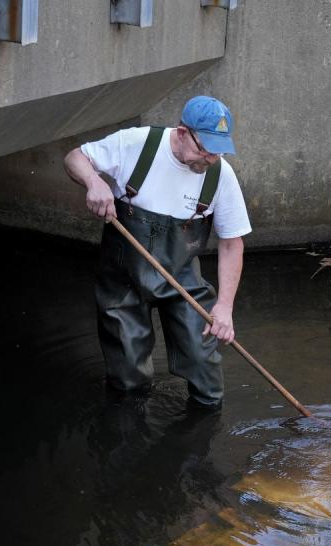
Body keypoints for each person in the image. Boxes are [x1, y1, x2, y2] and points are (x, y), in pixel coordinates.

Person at [64, 96, 251, 410]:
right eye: (204, 148)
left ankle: (199, 435)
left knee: (204, 367)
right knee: (128, 380)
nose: (210, 158)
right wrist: (93, 181)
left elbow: (232, 244)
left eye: (218, 150)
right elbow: (74, 158)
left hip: (183, 281)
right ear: (181, 133)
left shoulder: (221, 176)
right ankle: (129, 435)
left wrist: (224, 307)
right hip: (124, 280)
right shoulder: (137, 144)